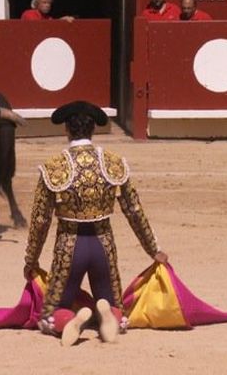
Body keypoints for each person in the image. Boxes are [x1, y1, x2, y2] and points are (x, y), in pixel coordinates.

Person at [23, 100, 169, 346]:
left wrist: (31, 260)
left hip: (70, 246)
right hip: (104, 245)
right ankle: (108, 314)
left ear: (66, 129)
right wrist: (153, 249)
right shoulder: (113, 163)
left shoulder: (53, 167)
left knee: (50, 313)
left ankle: (70, 322)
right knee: (114, 304)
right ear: (93, 130)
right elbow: (134, 210)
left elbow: (40, 221)